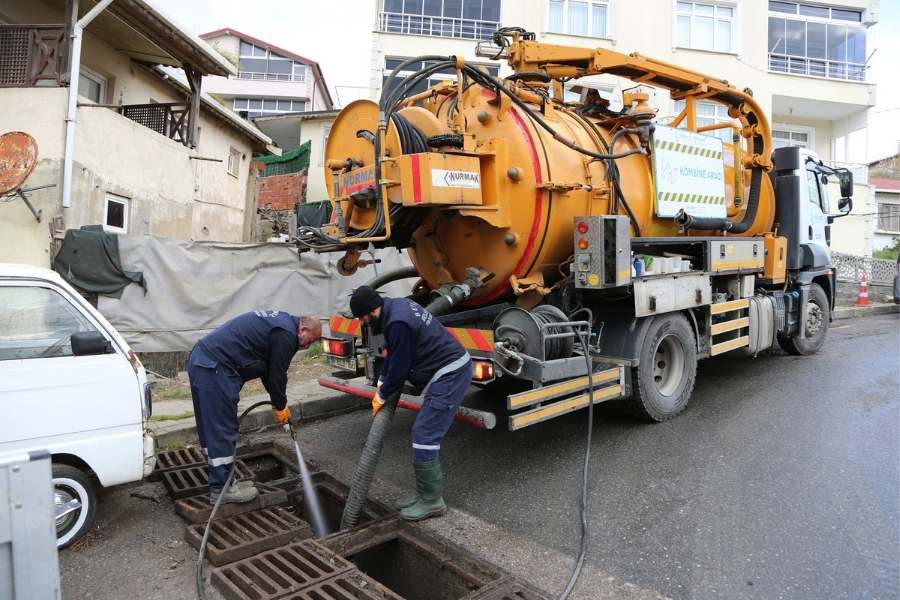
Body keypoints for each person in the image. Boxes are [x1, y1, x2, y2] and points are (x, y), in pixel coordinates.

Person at [349, 285, 472, 521]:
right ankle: (423, 493)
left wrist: (383, 395)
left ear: (369, 311)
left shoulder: (397, 323)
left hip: (451, 373)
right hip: (447, 369)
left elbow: (401, 367)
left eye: (362, 318)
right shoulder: (395, 308)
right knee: (422, 432)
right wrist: (381, 382)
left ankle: (432, 500)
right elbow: (393, 354)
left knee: (425, 433)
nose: (363, 322)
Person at [188, 310, 322, 504]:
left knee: (212, 429)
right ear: (303, 329)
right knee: (221, 430)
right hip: (216, 369)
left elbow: (268, 372)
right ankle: (222, 490)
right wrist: (281, 404)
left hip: (203, 361)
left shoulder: (281, 323)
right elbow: (277, 375)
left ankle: (225, 482)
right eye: (311, 339)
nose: (309, 345)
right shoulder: (286, 335)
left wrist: (277, 402)